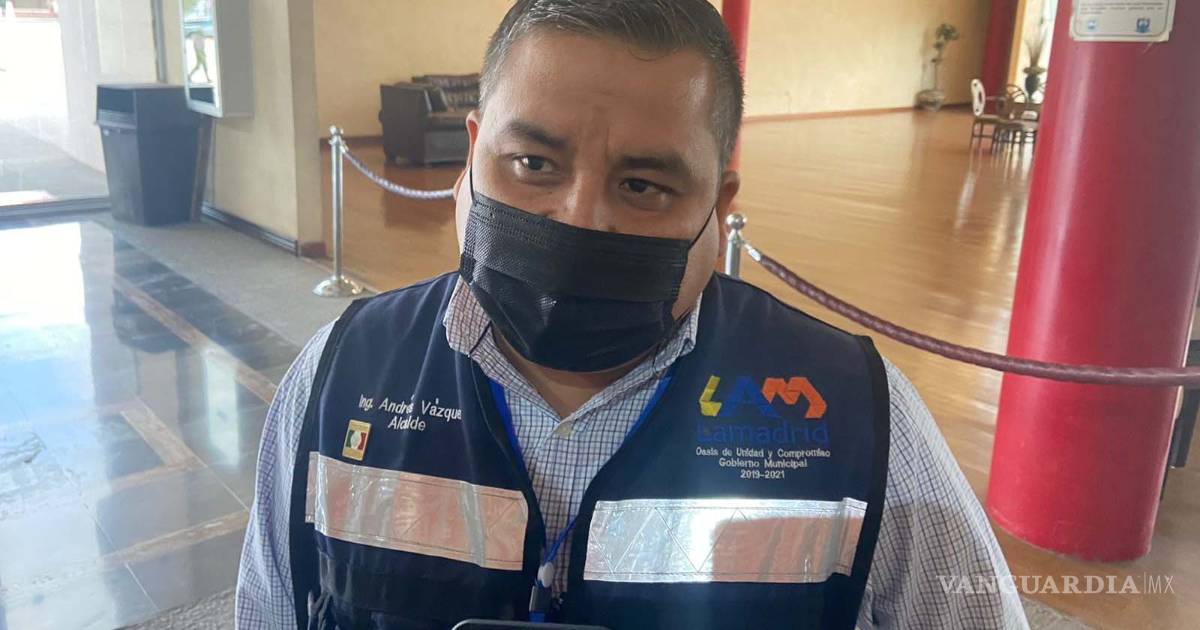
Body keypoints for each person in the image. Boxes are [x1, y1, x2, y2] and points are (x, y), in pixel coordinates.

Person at [236, 1, 1029, 628]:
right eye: (532, 163)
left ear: (718, 206)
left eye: (643, 185)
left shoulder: (856, 419)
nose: (580, 218)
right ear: (472, 154)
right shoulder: (337, 377)